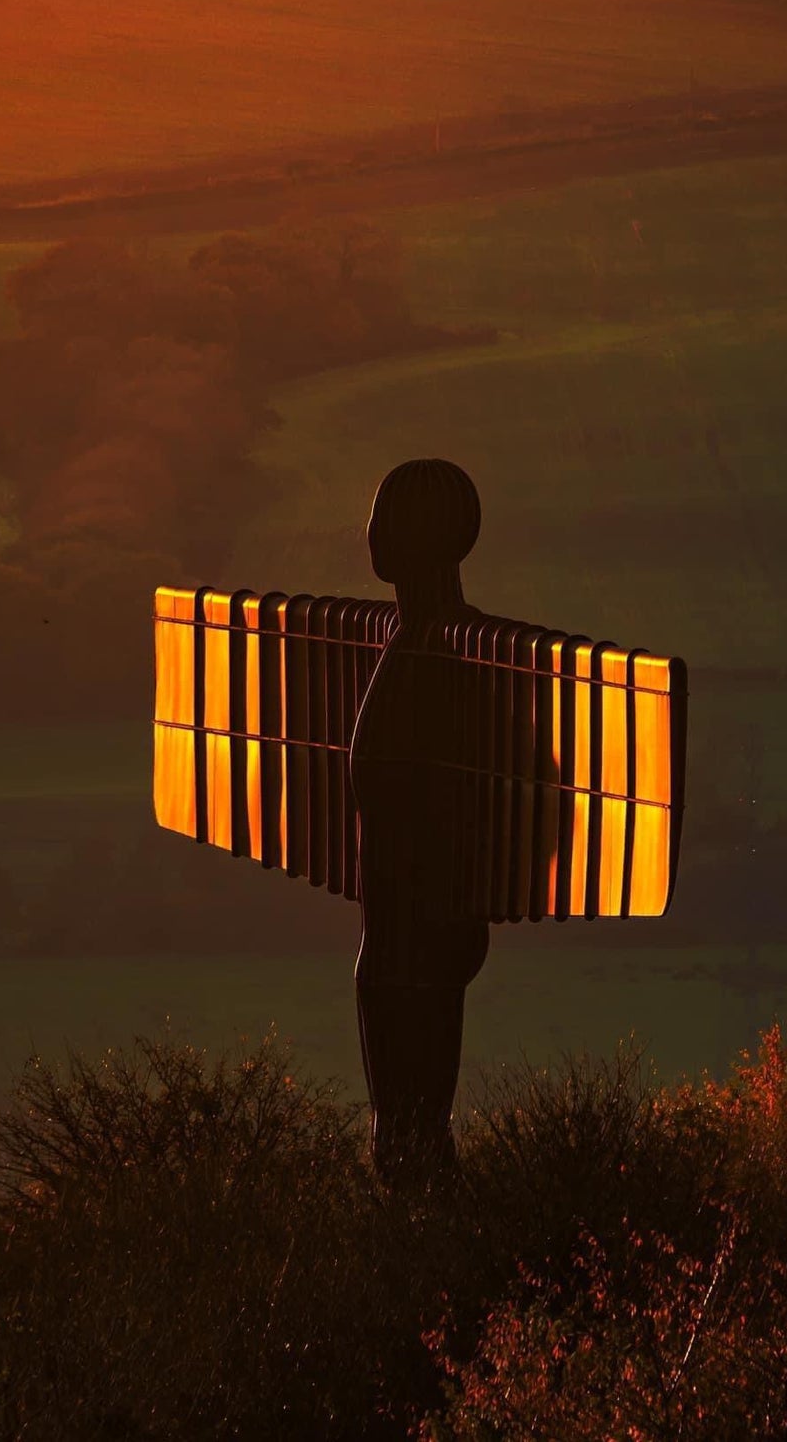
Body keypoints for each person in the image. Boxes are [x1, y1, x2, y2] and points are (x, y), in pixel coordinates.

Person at [349, 458, 492, 1185]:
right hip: (395, 927)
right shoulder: (409, 637)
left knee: (412, 1132)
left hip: (422, 925)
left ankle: (422, 1245)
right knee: (399, 1127)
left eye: (384, 519)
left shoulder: (444, 649)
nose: (370, 536)